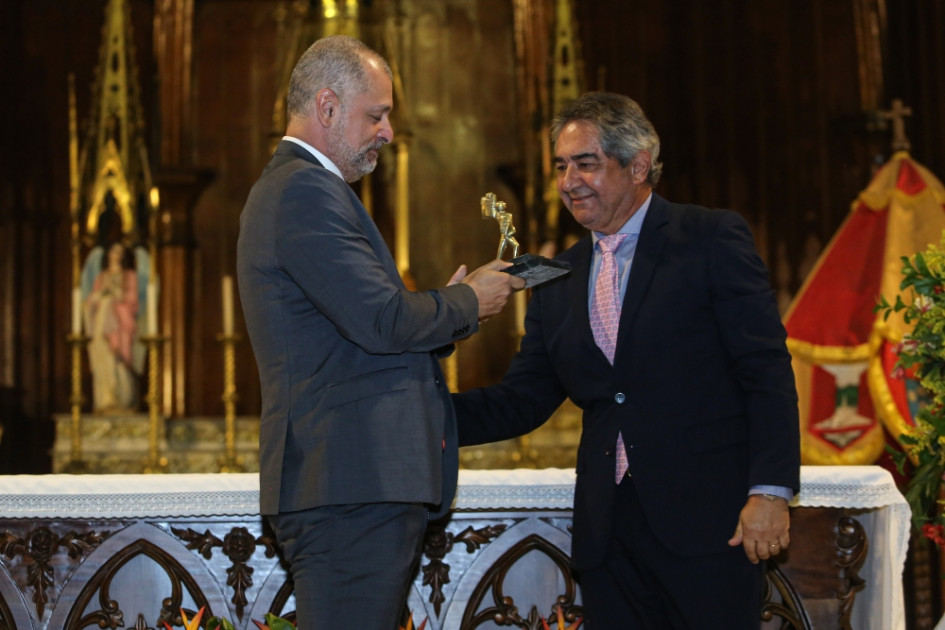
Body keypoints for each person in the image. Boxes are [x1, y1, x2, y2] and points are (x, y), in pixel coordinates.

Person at [453, 92, 800, 629]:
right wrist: (416, 411)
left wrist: (770, 492)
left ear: (639, 165)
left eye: (586, 163)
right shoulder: (557, 276)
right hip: (608, 538)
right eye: (561, 166)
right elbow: (521, 401)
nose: (569, 181)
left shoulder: (709, 238)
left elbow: (765, 370)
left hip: (709, 528)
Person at [236, 35, 523, 629]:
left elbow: (365, 324)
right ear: (327, 107)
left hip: (350, 484)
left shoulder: (306, 190)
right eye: (378, 114)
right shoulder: (303, 191)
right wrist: (470, 301)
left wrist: (447, 308)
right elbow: (382, 321)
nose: (388, 132)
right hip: (347, 483)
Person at [83, 241, 140, 412]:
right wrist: (99, 296)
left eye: (120, 252)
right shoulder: (101, 277)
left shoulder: (129, 276)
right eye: (114, 251)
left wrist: (118, 295)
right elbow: (91, 300)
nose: (117, 255)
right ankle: (105, 398)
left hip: (120, 323)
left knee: (118, 358)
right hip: (102, 321)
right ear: (109, 254)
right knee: (103, 355)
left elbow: (132, 300)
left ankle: (122, 397)